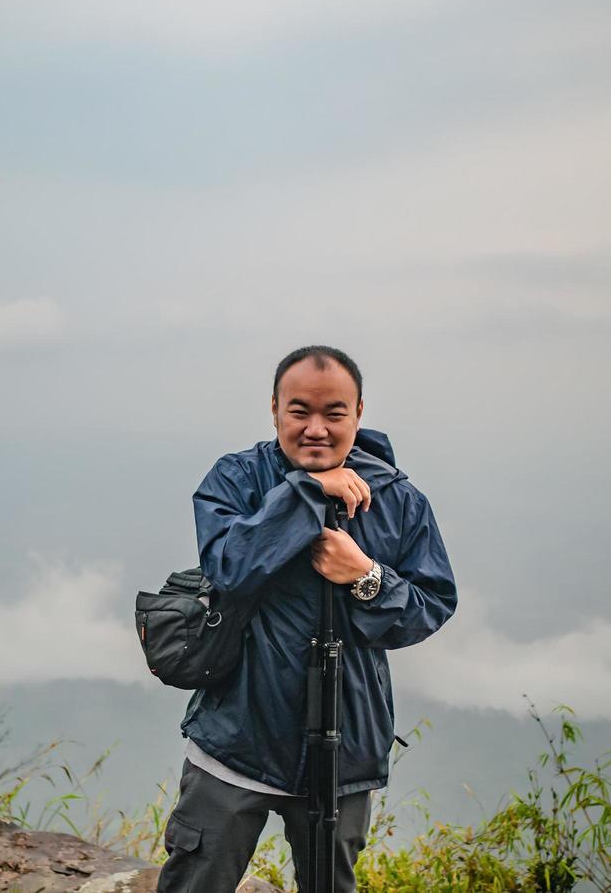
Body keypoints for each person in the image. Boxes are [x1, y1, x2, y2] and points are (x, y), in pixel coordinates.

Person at [156, 345, 458, 893]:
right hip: (235, 736)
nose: (315, 428)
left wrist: (367, 576)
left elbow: (431, 605)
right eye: (299, 412)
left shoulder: (398, 500)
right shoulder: (238, 479)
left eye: (334, 413)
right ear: (274, 409)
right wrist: (306, 493)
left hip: (344, 748)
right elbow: (228, 567)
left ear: (359, 412)